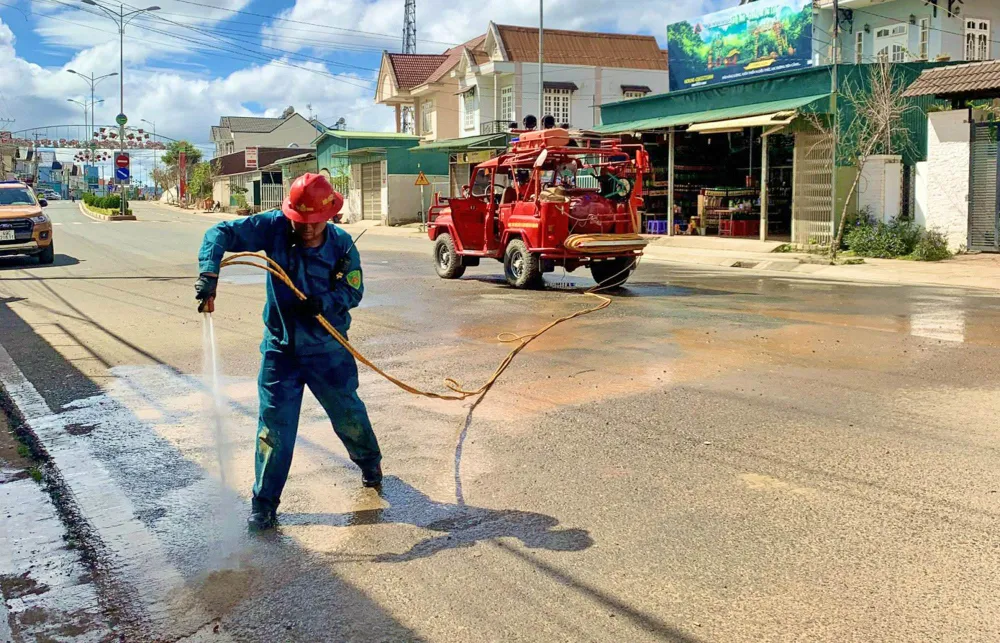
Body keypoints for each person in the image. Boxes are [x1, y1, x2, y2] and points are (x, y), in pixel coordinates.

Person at [194, 173, 382, 532]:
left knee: (348, 415)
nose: (307, 230)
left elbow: (354, 291)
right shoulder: (274, 228)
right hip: (281, 352)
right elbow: (218, 233)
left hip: (328, 350)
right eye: (300, 222)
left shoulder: (342, 246)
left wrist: (325, 302)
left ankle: (370, 463)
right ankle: (264, 503)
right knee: (274, 428)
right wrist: (209, 273)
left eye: (314, 223)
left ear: (329, 216)